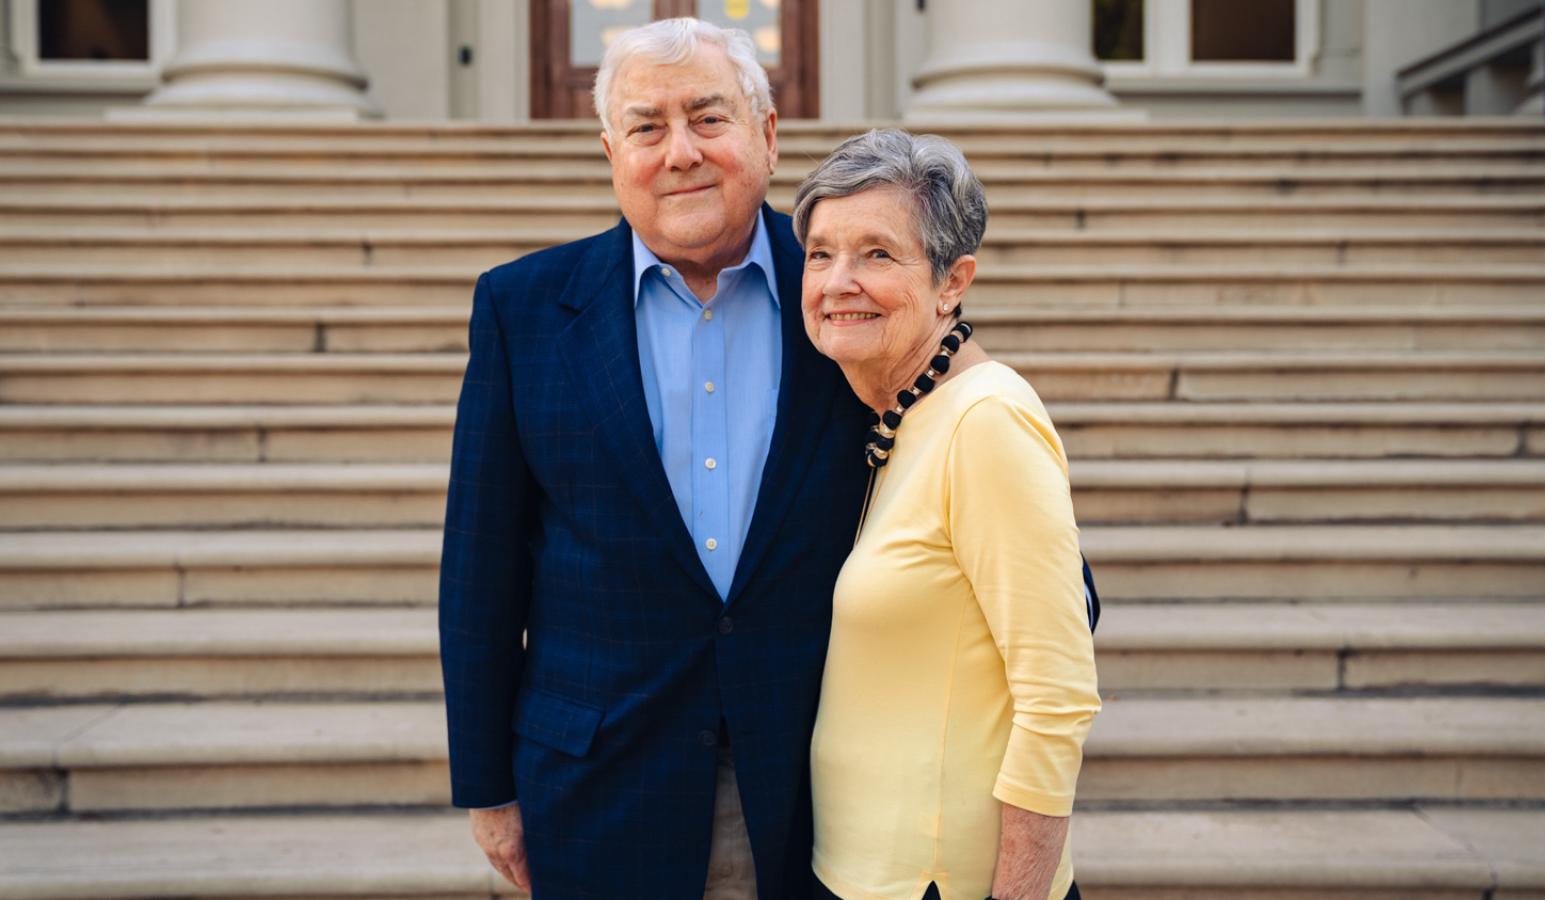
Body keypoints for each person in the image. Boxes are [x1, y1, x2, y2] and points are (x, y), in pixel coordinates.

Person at [437, 18, 867, 900]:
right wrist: (486, 789)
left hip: (821, 780)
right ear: (610, 150)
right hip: (597, 786)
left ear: (768, 135)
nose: (681, 153)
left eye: (709, 119)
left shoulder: (849, 294)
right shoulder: (523, 311)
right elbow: (479, 574)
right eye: (647, 127)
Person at [794, 129, 1101, 900]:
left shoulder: (986, 421)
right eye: (821, 253)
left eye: (876, 254)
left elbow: (1057, 697)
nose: (838, 281)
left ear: (952, 281)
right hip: (864, 873)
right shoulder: (902, 414)